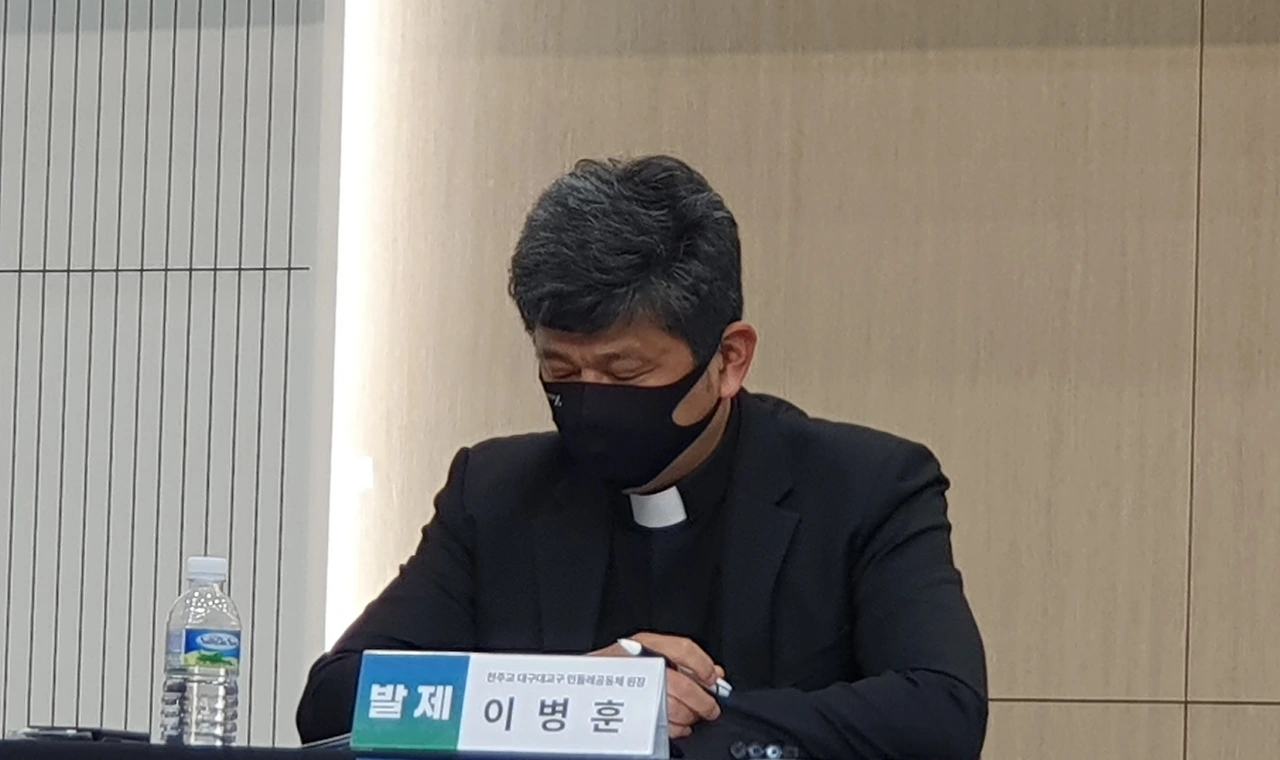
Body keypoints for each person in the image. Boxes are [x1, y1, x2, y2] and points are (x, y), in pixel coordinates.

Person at [297, 156, 987, 759]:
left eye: (624, 373)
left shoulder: (866, 487)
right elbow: (336, 697)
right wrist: (573, 698)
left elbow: (941, 711)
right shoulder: (495, 493)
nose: (589, 399)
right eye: (560, 371)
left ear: (729, 359)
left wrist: (672, 719)